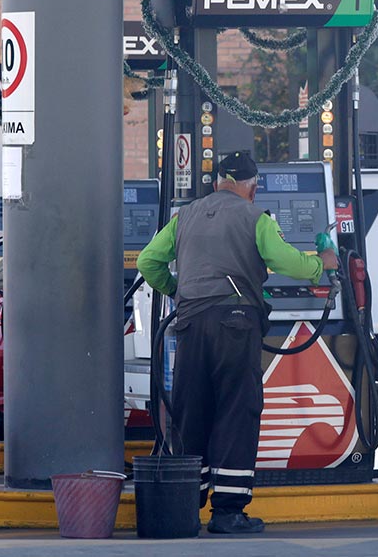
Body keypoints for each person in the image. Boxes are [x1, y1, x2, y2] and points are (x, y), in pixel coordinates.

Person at [137, 151, 339, 534]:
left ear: (216, 183)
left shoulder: (184, 216)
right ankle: (228, 512)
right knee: (235, 411)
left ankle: (185, 505)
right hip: (235, 323)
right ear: (252, 187)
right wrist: (321, 264)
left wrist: (181, 292)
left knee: (190, 410)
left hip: (191, 323)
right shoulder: (255, 217)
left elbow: (148, 261)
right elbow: (287, 262)